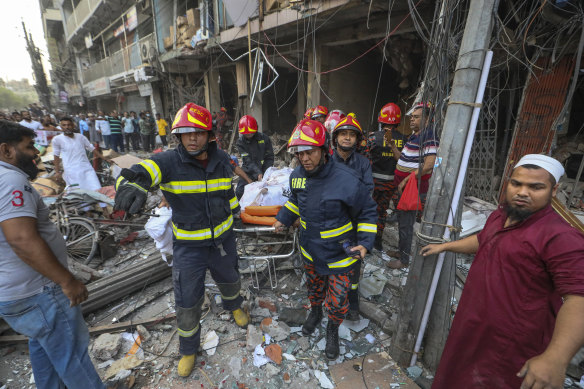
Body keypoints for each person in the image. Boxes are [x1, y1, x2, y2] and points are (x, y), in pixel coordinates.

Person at [422, 154, 584, 389]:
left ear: (554, 190)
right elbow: (484, 240)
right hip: (473, 324)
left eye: (535, 187)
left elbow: (578, 298)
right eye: (516, 183)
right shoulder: (501, 216)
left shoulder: (560, 237)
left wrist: (556, 358)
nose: (522, 192)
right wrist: (446, 246)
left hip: (511, 342)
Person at [114, 103, 249, 377]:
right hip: (189, 248)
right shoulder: (168, 162)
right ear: (177, 136)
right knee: (187, 301)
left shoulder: (222, 158)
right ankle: (189, 349)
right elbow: (139, 171)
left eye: (198, 132)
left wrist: (236, 211)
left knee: (230, 279)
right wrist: (129, 184)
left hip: (223, 240)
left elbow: (228, 190)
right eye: (185, 133)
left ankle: (234, 306)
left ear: (209, 135)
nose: (192, 138)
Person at [0, 120, 104, 389]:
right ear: (6, 151)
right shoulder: (11, 181)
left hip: (16, 293)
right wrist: (67, 280)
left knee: (44, 346)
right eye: (28, 146)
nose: (36, 151)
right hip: (39, 291)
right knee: (73, 356)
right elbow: (21, 238)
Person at [273, 119, 377, 360]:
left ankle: (332, 328)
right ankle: (316, 312)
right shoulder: (297, 175)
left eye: (310, 152)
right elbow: (296, 202)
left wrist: (365, 242)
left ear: (323, 149)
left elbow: (368, 211)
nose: (305, 158)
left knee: (339, 298)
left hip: (341, 254)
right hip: (310, 250)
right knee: (315, 289)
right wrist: (284, 218)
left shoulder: (347, 179)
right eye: (300, 153)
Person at [330, 114, 374, 321]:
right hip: (331, 222)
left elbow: (367, 194)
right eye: (343, 134)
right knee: (331, 261)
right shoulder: (326, 161)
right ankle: (333, 301)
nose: (347, 138)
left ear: (358, 140)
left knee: (354, 263)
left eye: (351, 135)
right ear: (335, 137)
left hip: (355, 223)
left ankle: (353, 298)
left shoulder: (363, 164)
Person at [386, 102, 439, 269]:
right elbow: (402, 159)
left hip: (413, 190)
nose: (412, 120)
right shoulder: (414, 136)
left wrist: (406, 179)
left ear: (427, 119)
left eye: (416, 117)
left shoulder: (429, 136)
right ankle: (402, 251)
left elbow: (429, 164)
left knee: (406, 225)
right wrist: (393, 146)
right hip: (405, 188)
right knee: (403, 221)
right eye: (412, 117)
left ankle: (404, 260)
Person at [367, 102, 405, 251]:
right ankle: (378, 241)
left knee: (369, 211)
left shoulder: (372, 138)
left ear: (381, 120)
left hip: (374, 183)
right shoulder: (404, 139)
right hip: (391, 184)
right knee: (382, 211)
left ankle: (367, 241)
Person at [52, 117, 104, 192]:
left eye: (69, 125)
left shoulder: (80, 137)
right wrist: (57, 172)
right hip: (71, 171)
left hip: (86, 168)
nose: (67, 127)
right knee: (79, 194)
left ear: (73, 125)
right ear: (61, 127)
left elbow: (91, 148)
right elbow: (56, 156)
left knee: (96, 190)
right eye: (64, 125)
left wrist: (104, 158)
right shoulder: (57, 139)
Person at [235, 115, 274, 199]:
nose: (249, 135)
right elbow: (247, 160)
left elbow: (269, 157)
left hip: (265, 170)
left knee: (267, 194)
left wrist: (265, 172)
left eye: (250, 133)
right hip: (248, 171)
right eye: (246, 134)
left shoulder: (265, 139)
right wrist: (258, 173)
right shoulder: (240, 142)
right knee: (239, 192)